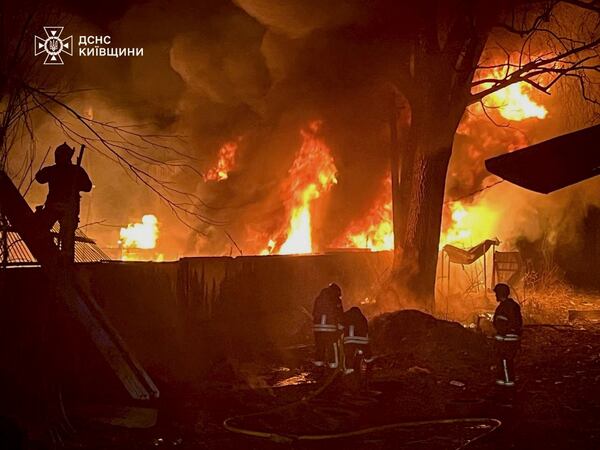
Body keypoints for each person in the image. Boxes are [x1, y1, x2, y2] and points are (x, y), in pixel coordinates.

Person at [35, 143, 92, 263]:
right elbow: (87, 186)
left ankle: (57, 254)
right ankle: (62, 256)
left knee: (42, 229)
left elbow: (39, 178)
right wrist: (76, 183)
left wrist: (75, 183)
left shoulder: (53, 170)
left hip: (57, 206)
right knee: (67, 236)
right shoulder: (75, 170)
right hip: (66, 207)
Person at [492, 283, 522, 387]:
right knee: (508, 363)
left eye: (496, 294)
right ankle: (505, 385)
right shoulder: (514, 306)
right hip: (512, 340)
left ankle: (507, 387)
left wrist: (500, 338)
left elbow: (501, 325)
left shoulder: (503, 308)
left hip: (506, 341)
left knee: (505, 363)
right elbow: (518, 324)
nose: (495, 296)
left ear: (500, 294)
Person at [312, 283, 344, 369]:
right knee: (332, 347)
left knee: (320, 347)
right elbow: (340, 314)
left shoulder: (318, 299)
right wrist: (341, 325)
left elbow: (314, 313)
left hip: (317, 328)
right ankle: (334, 366)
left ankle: (319, 366)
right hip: (330, 328)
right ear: (337, 292)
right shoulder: (336, 299)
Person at [341, 306, 372, 383]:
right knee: (368, 356)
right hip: (363, 341)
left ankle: (349, 370)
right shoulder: (363, 318)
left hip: (350, 341)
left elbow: (340, 326)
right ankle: (369, 365)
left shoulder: (347, 317)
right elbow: (367, 330)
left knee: (348, 355)